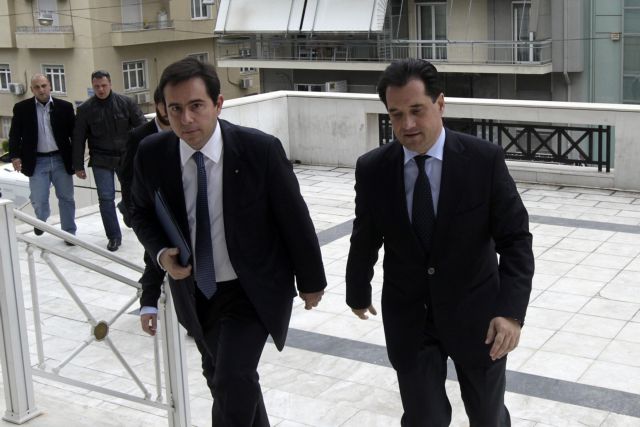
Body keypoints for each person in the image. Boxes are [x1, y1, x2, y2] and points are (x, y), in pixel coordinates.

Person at [130, 57, 327, 426]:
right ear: (163, 110)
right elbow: (138, 212)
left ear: (218, 104)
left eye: (196, 106)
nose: (186, 119)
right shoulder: (152, 154)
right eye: (175, 109)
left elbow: (294, 218)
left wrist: (311, 280)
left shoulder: (259, 150)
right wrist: (160, 254)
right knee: (225, 379)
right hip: (195, 293)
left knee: (232, 379)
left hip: (251, 290)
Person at [345, 58, 534, 426]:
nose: (407, 125)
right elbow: (365, 235)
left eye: (417, 110)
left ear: (441, 103)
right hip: (410, 318)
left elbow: (515, 239)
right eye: (396, 114)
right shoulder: (373, 169)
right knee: (424, 419)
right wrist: (358, 289)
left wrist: (511, 313)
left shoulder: (483, 161)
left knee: (488, 417)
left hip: (478, 319)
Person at [72, 70, 146, 251]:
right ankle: (113, 236)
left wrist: (146, 155)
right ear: (92, 86)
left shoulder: (126, 103)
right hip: (101, 159)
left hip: (126, 156)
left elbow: (143, 128)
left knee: (132, 194)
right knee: (106, 198)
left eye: (104, 85)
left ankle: (126, 208)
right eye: (96, 86)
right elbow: (78, 138)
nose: (101, 89)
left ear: (110, 84)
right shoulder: (85, 109)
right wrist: (78, 166)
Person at [120, 86, 171, 314]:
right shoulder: (139, 136)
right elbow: (127, 176)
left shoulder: (186, 131)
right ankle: (149, 299)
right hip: (149, 208)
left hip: (176, 208)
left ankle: (151, 298)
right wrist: (132, 211)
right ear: (158, 105)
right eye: (167, 105)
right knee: (155, 252)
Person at [8, 74, 77, 243]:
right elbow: (14, 135)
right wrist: (15, 156)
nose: (41, 90)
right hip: (37, 161)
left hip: (61, 159)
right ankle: (41, 218)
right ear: (32, 90)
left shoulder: (65, 107)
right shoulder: (22, 108)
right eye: (37, 87)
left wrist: (78, 159)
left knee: (66, 198)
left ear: (50, 86)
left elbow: (75, 135)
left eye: (44, 85)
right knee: (39, 199)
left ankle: (69, 233)